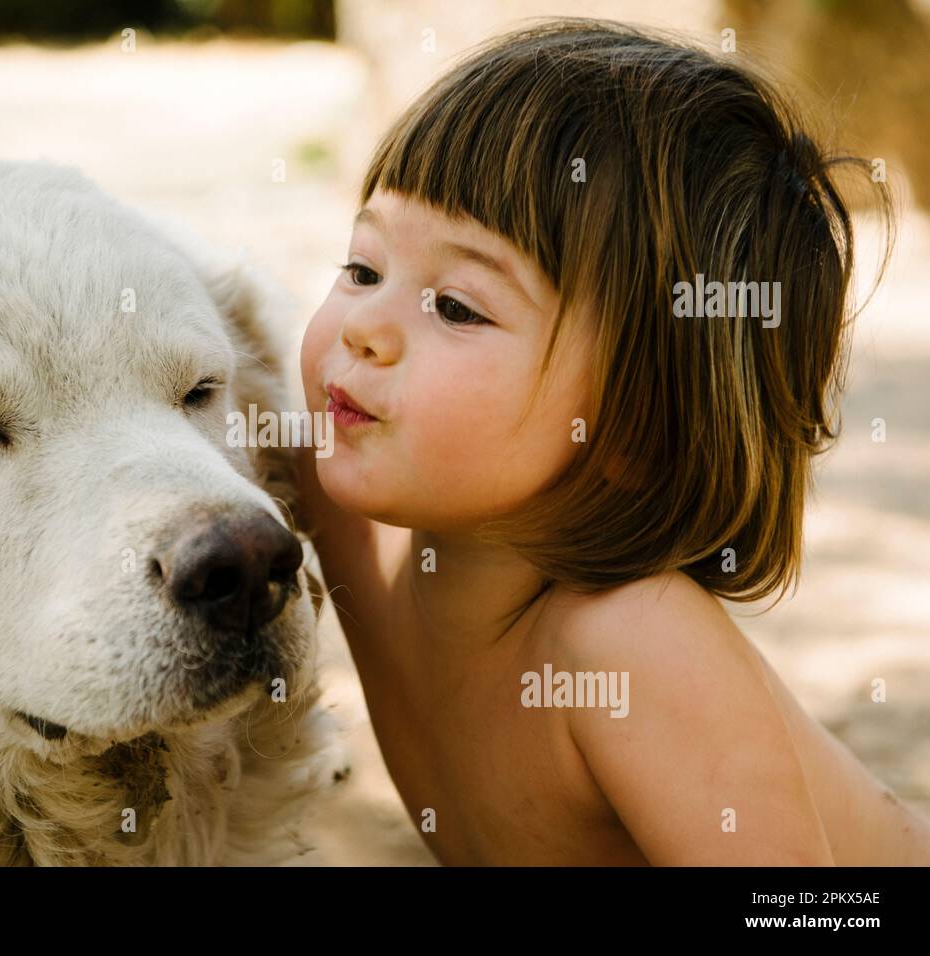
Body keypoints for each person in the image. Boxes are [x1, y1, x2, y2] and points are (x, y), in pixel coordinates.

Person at [296, 18, 930, 865]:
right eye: (364, 268)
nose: (365, 326)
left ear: (632, 431)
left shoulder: (629, 646)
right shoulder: (347, 519)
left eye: (456, 307)